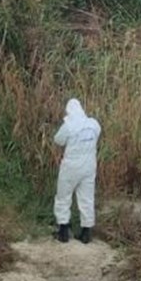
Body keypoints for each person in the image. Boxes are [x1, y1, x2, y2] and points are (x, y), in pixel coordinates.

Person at [53, 98, 101, 244]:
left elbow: (58, 140)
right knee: (87, 198)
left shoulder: (68, 125)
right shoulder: (94, 124)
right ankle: (86, 232)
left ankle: (63, 231)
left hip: (71, 165)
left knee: (63, 196)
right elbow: (97, 135)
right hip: (89, 166)